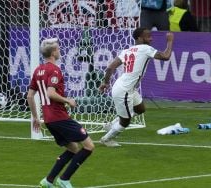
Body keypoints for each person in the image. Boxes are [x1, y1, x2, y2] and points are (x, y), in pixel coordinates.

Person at [27, 38, 95, 188]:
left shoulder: (38, 70)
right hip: (59, 116)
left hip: (49, 118)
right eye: (57, 49)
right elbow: (51, 93)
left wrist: (36, 118)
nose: (59, 51)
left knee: (73, 148)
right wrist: (67, 100)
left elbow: (30, 96)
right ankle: (64, 179)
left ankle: (48, 180)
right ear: (53, 53)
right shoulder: (54, 70)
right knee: (89, 146)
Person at [99, 28, 174, 147]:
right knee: (125, 122)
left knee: (140, 109)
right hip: (124, 90)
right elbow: (166, 56)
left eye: (151, 36)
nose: (151, 38)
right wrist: (170, 41)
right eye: (148, 36)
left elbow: (110, 68)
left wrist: (105, 83)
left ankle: (110, 125)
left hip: (127, 87)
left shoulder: (127, 51)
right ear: (139, 38)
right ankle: (106, 139)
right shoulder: (145, 49)